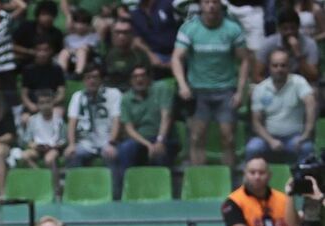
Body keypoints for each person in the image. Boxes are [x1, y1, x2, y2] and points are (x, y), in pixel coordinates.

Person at [171, 0, 250, 167]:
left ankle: (228, 180)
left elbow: (244, 60)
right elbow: (176, 58)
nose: (211, 6)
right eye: (207, 2)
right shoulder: (189, 28)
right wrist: (182, 85)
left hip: (226, 90)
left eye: (214, 2)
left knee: (228, 137)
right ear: (201, 5)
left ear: (220, 5)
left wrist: (240, 91)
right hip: (197, 92)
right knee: (196, 137)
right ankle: (199, 179)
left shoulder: (233, 29)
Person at [245, 49, 315, 164]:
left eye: (283, 65)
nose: (279, 69)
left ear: (289, 66)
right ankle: (250, 182)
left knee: (306, 148)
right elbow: (256, 122)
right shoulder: (260, 89)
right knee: (253, 148)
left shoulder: (299, 82)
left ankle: (305, 182)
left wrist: (306, 134)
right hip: (267, 138)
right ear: (269, 67)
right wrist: (271, 141)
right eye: (275, 65)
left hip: (294, 138)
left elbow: (311, 103)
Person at [221, 157, 299, 226]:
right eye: (252, 172)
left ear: (269, 175)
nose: (257, 177)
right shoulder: (233, 202)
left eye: (261, 173)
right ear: (245, 174)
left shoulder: (283, 199)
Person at [64, 64, 122, 198]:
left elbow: (116, 120)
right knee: (72, 154)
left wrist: (112, 143)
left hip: (107, 141)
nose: (92, 81)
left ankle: (115, 197)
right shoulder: (77, 96)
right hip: (86, 143)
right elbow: (72, 122)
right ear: (84, 80)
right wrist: (71, 144)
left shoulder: (113, 94)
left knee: (112, 154)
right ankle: (77, 194)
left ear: (101, 79)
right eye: (88, 77)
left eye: (95, 77)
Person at [116, 64, 176, 192]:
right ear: (130, 80)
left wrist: (160, 140)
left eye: (142, 76)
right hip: (141, 140)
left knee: (160, 152)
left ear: (149, 78)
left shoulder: (161, 88)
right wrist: (148, 145)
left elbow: (166, 116)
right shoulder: (126, 98)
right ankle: (126, 191)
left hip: (163, 136)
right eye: (135, 77)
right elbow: (129, 129)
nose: (139, 79)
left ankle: (162, 192)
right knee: (125, 148)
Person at [255, 9, 319, 84]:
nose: (289, 32)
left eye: (292, 28)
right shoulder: (268, 44)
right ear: (279, 28)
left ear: (298, 27)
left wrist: (298, 54)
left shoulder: (309, 44)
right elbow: (257, 75)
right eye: (285, 29)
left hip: (300, 86)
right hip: (274, 85)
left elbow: (313, 77)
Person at [21, 90, 66, 184]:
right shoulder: (33, 120)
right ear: (37, 105)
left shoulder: (58, 119)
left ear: (53, 103)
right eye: (42, 103)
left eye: (48, 102)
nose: (45, 106)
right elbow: (27, 139)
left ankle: (55, 185)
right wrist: (33, 145)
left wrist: (56, 146)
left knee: (49, 159)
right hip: (38, 148)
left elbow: (63, 140)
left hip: (54, 148)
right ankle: (41, 176)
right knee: (25, 155)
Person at [19, 39, 66, 123]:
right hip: (34, 104)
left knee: (58, 113)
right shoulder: (28, 70)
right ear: (35, 51)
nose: (42, 53)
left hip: (52, 104)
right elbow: (24, 94)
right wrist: (30, 105)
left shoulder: (57, 69)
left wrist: (49, 104)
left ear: (50, 51)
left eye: (46, 50)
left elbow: (61, 93)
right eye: (39, 50)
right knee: (25, 119)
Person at [130, 0, 177, 77]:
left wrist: (176, 57)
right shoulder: (135, 14)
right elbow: (137, 40)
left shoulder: (167, 4)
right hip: (154, 56)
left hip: (175, 52)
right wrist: (151, 55)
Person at [12, 0, 64, 67]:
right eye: (44, 14)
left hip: (46, 63)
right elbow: (11, 45)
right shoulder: (26, 27)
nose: (47, 18)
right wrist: (30, 52)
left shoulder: (57, 33)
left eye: (51, 15)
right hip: (23, 59)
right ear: (38, 15)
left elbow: (58, 52)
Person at [103, 18, 149, 90]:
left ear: (131, 34)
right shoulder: (106, 55)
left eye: (125, 32)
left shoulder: (140, 56)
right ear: (112, 34)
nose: (121, 36)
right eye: (117, 32)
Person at [58, 8, 99, 78]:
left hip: (87, 59)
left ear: (88, 25)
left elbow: (90, 48)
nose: (80, 26)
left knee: (82, 50)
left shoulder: (92, 36)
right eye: (78, 23)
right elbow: (66, 48)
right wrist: (71, 51)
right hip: (71, 59)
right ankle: (61, 72)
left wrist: (79, 50)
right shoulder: (69, 37)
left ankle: (78, 73)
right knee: (64, 52)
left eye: (83, 23)